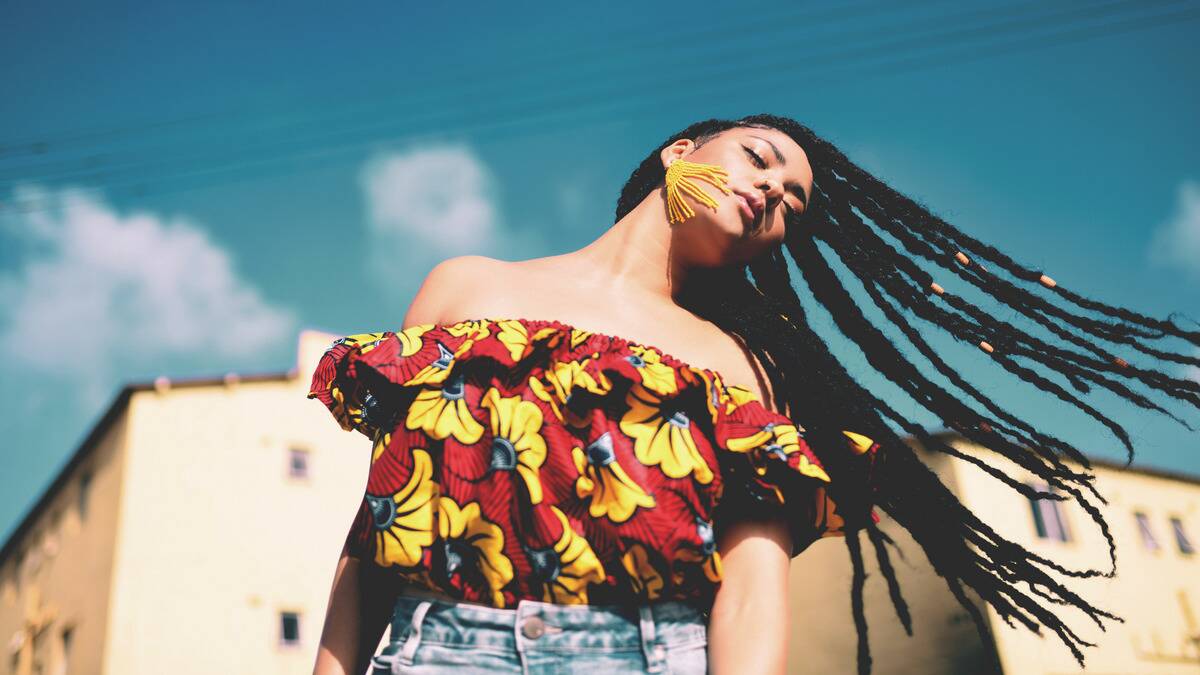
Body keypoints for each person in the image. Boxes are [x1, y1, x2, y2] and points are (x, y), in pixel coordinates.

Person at [307, 114, 1200, 675]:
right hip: (435, 649)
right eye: (763, 161)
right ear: (680, 152)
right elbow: (384, 517)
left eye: (791, 207)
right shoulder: (467, 290)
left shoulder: (736, 368)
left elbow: (751, 587)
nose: (773, 191)